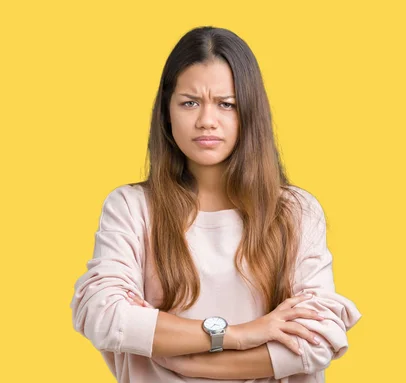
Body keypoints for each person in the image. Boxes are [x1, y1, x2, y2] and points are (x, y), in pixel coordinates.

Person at [70, 26, 361, 382]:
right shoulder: (132, 207)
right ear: (166, 112)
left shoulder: (295, 211)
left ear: (250, 113)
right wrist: (239, 334)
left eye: (226, 104)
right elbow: (103, 314)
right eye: (190, 102)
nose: (207, 120)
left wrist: (191, 360)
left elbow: (318, 339)